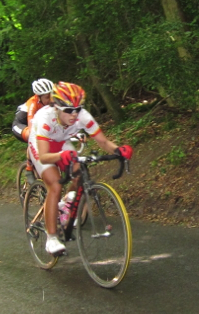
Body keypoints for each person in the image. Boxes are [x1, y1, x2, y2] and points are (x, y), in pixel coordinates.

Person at [28, 81, 133, 256]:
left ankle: (66, 203)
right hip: (41, 146)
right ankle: (51, 238)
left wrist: (118, 150)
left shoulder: (82, 116)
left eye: (77, 109)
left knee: (78, 173)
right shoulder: (45, 118)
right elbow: (45, 156)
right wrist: (61, 155)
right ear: (57, 107)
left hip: (62, 142)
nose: (74, 114)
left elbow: (103, 141)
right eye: (69, 110)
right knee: (55, 185)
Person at [11, 78, 54, 144]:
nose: (51, 99)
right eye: (47, 97)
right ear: (39, 97)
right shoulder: (33, 104)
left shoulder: (53, 101)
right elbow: (32, 129)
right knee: (34, 137)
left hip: (36, 123)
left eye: (52, 95)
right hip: (20, 124)